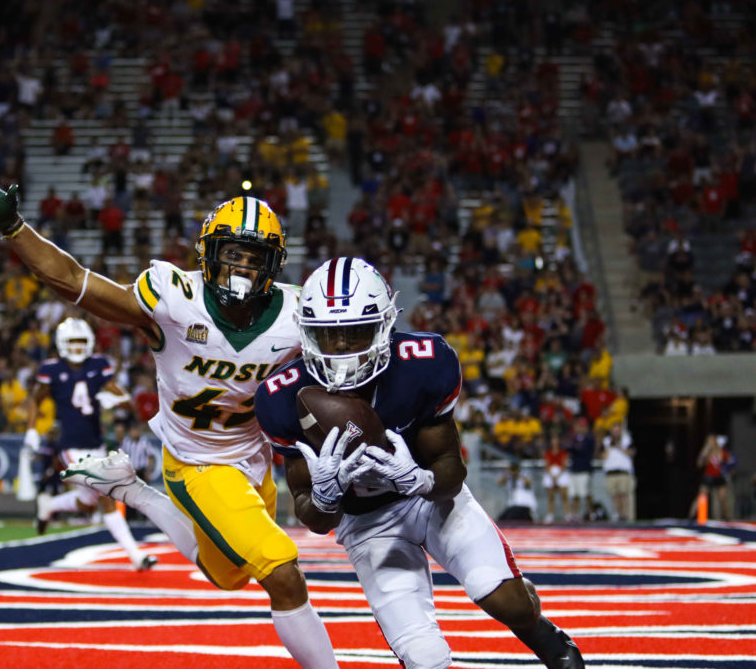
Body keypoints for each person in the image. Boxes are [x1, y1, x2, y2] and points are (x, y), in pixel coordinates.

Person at [0, 170, 339, 669]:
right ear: (208, 253)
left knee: (230, 575)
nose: (241, 268)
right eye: (232, 253)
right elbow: (73, 281)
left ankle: (132, 491)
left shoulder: (297, 314)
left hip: (254, 456)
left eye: (253, 258)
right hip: (197, 462)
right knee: (282, 570)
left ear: (273, 265)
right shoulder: (174, 298)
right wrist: (15, 228)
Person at [252, 257, 584, 669]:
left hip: (430, 501)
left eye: (354, 332)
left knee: (507, 601)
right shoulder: (280, 397)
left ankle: (541, 632)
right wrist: (324, 496)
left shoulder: (423, 365)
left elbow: (451, 469)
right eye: (327, 335)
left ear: (383, 326)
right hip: (367, 523)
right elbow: (316, 519)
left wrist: (420, 480)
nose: (339, 348)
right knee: (425, 658)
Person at [24, 317, 156, 572]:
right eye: (72, 341)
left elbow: (121, 398)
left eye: (81, 341)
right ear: (61, 343)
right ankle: (136, 557)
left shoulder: (98, 365)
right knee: (106, 494)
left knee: (87, 502)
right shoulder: (52, 369)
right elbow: (35, 399)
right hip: (70, 447)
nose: (76, 347)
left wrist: (119, 401)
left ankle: (49, 505)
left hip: (95, 444)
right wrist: (31, 430)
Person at [691, 433, 736, 520]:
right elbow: (699, 464)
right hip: (708, 477)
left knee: (723, 497)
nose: (711, 442)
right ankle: (691, 516)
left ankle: (726, 518)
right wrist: (704, 453)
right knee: (701, 496)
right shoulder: (706, 452)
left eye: (712, 440)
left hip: (718, 477)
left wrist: (728, 470)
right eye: (709, 441)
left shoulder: (721, 451)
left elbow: (731, 461)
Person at [600, 421, 634, 521]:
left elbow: (630, 453)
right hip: (611, 472)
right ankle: (618, 514)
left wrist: (618, 446)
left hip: (623, 471)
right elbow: (602, 456)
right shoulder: (606, 441)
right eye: (614, 430)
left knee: (624, 494)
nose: (616, 432)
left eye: (618, 430)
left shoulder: (627, 440)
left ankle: (625, 514)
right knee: (615, 495)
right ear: (611, 431)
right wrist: (609, 447)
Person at [542, 433, 570, 523]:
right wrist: (552, 476)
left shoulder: (563, 452)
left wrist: (557, 476)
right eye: (553, 440)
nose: (554, 442)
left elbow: (564, 464)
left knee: (564, 496)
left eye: (556, 440)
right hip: (551, 473)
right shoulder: (548, 452)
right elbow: (547, 464)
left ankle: (567, 514)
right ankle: (550, 515)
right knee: (551, 497)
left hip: (561, 473)